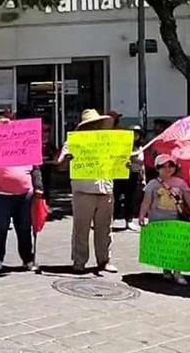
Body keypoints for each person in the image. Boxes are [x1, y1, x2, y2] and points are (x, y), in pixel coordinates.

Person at [57, 110, 118, 273]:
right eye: (91, 125)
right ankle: (79, 261)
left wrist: (123, 165)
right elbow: (60, 166)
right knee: (81, 229)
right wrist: (67, 159)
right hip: (83, 191)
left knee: (105, 228)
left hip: (105, 190)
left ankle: (104, 260)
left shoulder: (109, 143)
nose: (95, 127)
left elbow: (119, 163)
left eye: (97, 124)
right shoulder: (72, 143)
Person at [138, 154, 190, 285]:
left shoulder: (180, 183)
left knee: (177, 245)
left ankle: (177, 272)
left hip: (176, 219)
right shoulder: (152, 184)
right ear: (157, 168)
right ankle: (166, 269)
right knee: (164, 245)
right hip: (157, 220)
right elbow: (146, 201)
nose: (167, 169)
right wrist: (141, 215)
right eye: (163, 166)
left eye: (170, 165)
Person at [0, 123, 42, 272]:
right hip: (0, 194)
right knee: (0, 228)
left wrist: (39, 187)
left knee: (25, 228)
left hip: (25, 194)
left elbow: (36, 167)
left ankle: (27, 259)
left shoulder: (25, 145)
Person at [113, 126, 145, 231]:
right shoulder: (119, 146)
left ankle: (129, 221)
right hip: (119, 176)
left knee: (130, 199)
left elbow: (141, 163)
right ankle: (110, 220)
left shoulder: (139, 148)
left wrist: (132, 159)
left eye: (136, 134)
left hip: (133, 176)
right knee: (115, 198)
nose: (134, 137)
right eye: (132, 134)